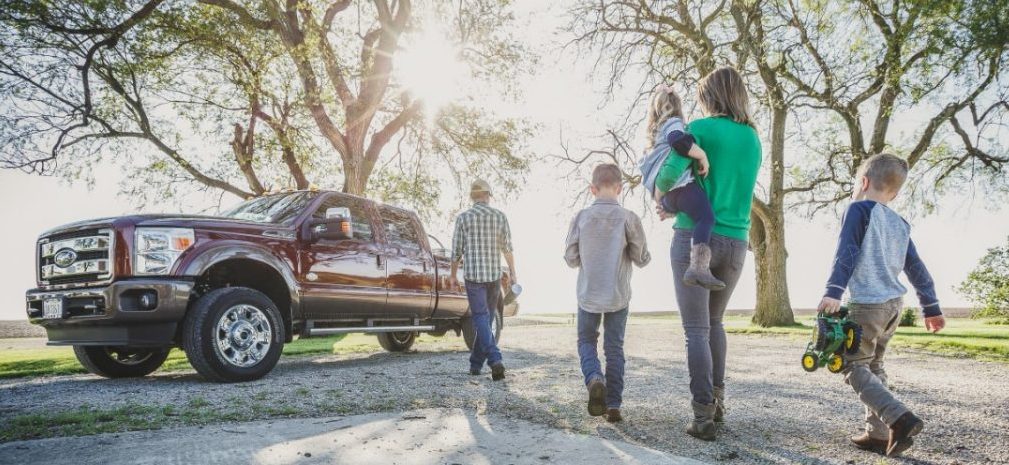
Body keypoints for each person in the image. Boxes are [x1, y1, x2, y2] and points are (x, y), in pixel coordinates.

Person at [653, 67, 762, 441]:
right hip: (736, 242)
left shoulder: (701, 127)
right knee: (715, 324)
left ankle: (702, 418)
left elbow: (668, 174)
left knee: (695, 330)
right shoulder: (753, 139)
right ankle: (717, 404)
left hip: (694, 239)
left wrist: (663, 198)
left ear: (710, 96)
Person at [818, 153, 945, 457]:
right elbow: (916, 267)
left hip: (868, 305)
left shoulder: (858, 210)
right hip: (894, 307)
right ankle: (876, 434)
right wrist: (931, 306)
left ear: (863, 182)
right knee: (874, 366)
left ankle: (898, 418)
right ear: (895, 192)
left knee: (851, 365)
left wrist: (834, 291)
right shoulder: (900, 223)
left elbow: (846, 252)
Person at [564, 164, 651, 423]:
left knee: (586, 342)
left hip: (588, 293)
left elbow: (570, 258)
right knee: (615, 348)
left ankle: (594, 378)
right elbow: (641, 258)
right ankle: (613, 405)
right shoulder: (628, 218)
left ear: (593, 188)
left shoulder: (580, 217)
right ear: (619, 188)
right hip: (618, 294)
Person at [638, 85, 722, 289]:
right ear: (677, 107)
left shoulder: (656, 133)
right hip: (681, 187)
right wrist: (701, 155)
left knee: (695, 213)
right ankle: (699, 267)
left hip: (669, 197)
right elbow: (678, 142)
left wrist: (666, 205)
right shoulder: (673, 124)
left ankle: (671, 211)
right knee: (706, 218)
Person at [449, 179, 517, 381]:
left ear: (472, 196)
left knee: (480, 317)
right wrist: (513, 272)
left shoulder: (463, 218)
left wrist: (453, 276)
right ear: (488, 195)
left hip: (474, 276)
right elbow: (507, 248)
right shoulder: (499, 216)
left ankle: (495, 360)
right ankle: (475, 364)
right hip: (493, 276)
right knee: (485, 320)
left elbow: (456, 251)